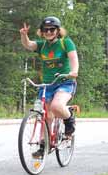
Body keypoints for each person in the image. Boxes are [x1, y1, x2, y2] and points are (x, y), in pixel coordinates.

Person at [19, 16, 79, 158]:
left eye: (52, 29)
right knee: (46, 116)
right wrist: (23, 35)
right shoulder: (42, 46)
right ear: (42, 32)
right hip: (47, 84)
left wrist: (74, 71)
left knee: (56, 106)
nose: (49, 32)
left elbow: (73, 59)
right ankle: (43, 145)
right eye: (45, 30)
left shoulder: (66, 43)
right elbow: (28, 45)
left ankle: (69, 120)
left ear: (58, 31)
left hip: (64, 82)